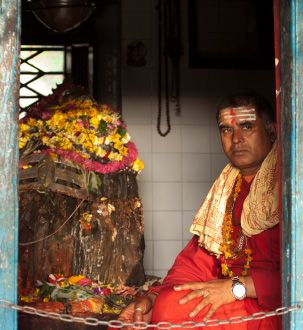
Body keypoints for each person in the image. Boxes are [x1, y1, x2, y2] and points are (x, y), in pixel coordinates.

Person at [115, 93, 280, 329]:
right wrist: (154, 297)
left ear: (272, 130)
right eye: (226, 130)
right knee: (167, 304)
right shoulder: (226, 189)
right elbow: (197, 261)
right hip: (232, 298)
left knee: (171, 310)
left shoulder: (290, 185)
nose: (236, 139)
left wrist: (239, 287)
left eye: (246, 126)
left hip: (274, 304)